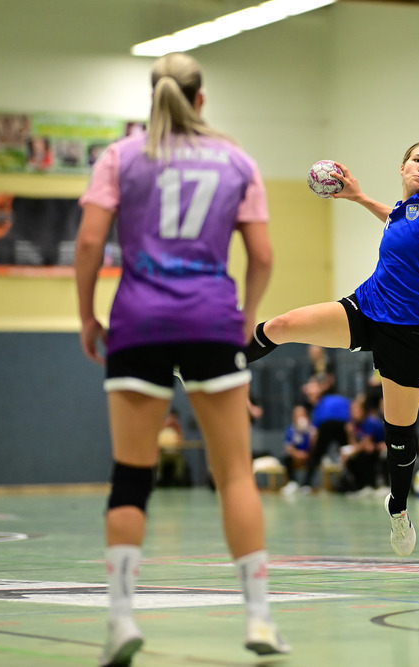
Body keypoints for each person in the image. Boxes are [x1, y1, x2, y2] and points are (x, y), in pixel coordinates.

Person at [75, 53, 288, 664]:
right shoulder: (237, 159)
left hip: (137, 322)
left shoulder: (119, 157)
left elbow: (90, 240)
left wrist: (87, 315)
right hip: (210, 322)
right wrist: (244, 319)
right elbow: (264, 254)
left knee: (131, 475)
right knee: (236, 477)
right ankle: (259, 620)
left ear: (153, 97)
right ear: (201, 100)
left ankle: (119, 620)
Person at [246, 141, 419, 556]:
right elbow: (394, 218)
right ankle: (215, 364)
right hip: (367, 308)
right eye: (417, 160)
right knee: (283, 324)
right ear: (403, 167)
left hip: (409, 334)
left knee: (398, 435)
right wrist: (359, 197)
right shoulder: (402, 213)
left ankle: (398, 509)